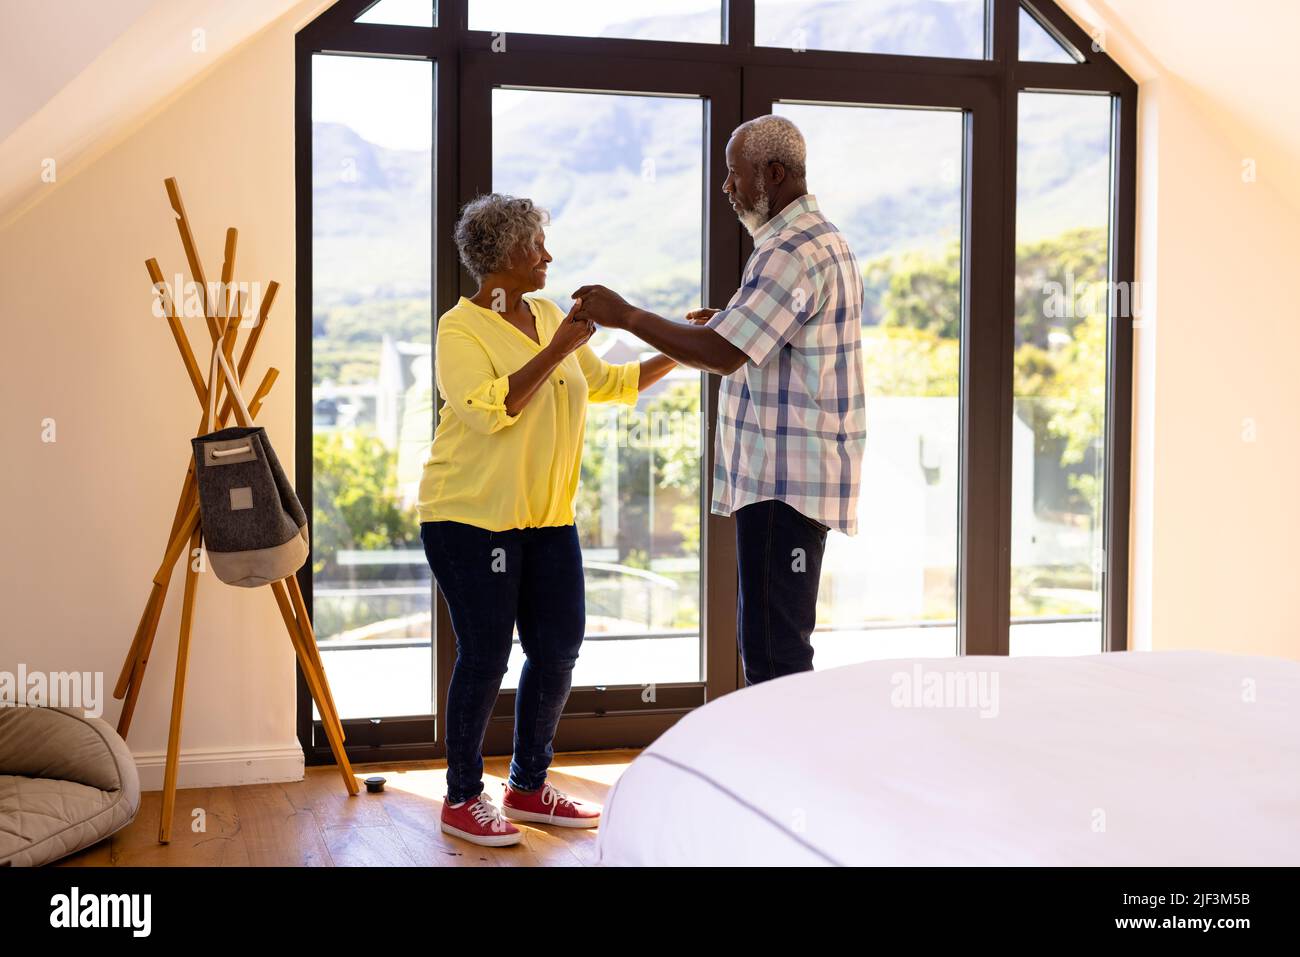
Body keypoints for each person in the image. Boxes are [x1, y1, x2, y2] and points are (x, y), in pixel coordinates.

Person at [418, 193, 677, 846]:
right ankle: (461, 796)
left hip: (546, 520)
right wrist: (560, 346)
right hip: (470, 519)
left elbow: (611, 384)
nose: (547, 256)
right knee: (485, 653)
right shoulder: (461, 329)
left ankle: (528, 785)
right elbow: (488, 409)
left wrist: (684, 350)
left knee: (558, 645)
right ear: (505, 254)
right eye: (537, 245)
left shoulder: (544, 311)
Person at [573, 114, 866, 686]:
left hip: (784, 483)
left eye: (736, 175)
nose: (727, 189)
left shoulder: (789, 249)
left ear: (774, 174)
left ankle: (778, 774)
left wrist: (625, 315)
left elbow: (725, 353)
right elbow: (766, 337)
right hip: (799, 477)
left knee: (773, 656)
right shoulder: (820, 238)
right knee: (775, 643)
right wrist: (730, 325)